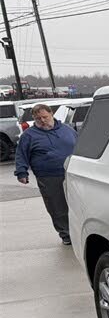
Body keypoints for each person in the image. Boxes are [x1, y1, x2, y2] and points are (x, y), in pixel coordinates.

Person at [15, 103, 78, 246]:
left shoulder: (67, 130)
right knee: (57, 206)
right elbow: (21, 155)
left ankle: (79, 231)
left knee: (77, 204)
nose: (42, 121)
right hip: (48, 176)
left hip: (73, 173)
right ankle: (66, 234)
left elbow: (80, 146)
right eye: (38, 119)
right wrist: (21, 172)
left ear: (52, 114)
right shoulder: (29, 136)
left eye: (45, 117)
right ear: (34, 119)